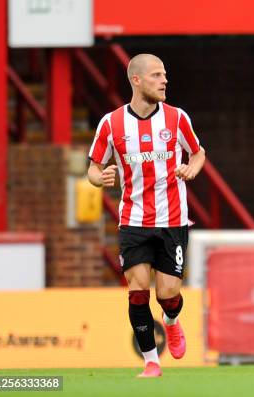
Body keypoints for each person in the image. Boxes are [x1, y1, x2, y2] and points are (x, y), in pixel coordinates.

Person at [87, 54, 206, 377]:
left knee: (168, 294)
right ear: (136, 80)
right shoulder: (111, 124)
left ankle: (171, 321)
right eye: (156, 75)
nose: (164, 81)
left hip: (172, 220)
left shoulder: (177, 118)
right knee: (138, 289)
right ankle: (151, 361)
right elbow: (93, 169)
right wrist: (102, 177)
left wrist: (191, 169)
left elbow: (197, 152)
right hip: (134, 221)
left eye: (164, 75)